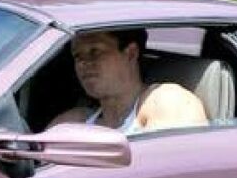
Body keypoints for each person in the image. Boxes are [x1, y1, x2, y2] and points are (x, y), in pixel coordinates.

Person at [50, 29, 209, 134]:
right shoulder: (74, 122)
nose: (83, 63)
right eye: (78, 56)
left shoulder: (166, 101)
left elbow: (176, 173)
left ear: (131, 53)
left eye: (95, 51)